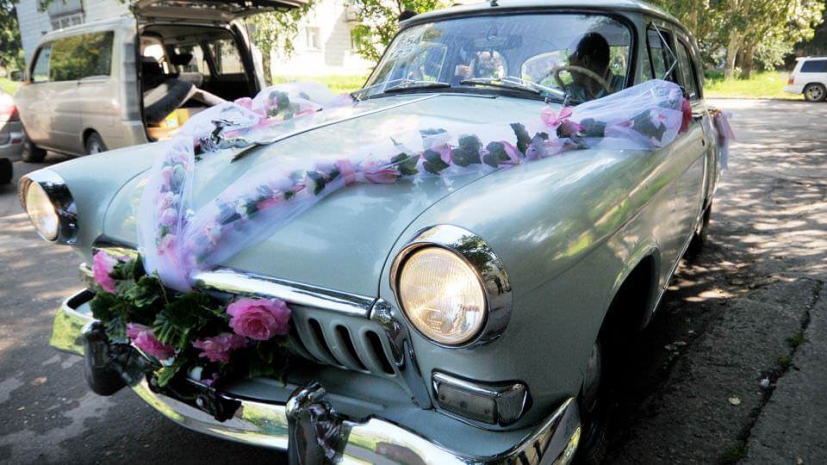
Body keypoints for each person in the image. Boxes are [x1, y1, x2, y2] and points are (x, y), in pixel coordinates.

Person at [565, 32, 624, 102]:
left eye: (571, 63)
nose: (568, 70)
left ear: (585, 61)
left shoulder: (624, 87)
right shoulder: (574, 90)